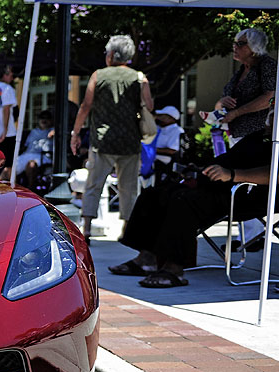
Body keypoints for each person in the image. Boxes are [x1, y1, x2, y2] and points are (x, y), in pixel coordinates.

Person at [107, 121, 274, 288]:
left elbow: (275, 174)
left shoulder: (276, 142)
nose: (270, 116)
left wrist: (232, 175)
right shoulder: (258, 136)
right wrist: (203, 169)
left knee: (183, 200)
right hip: (221, 184)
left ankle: (175, 268)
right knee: (154, 194)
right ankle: (147, 258)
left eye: (274, 112)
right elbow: (232, 159)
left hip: (248, 194)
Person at [71, 35, 153, 241]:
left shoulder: (98, 75)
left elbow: (86, 105)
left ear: (112, 54)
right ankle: (126, 229)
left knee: (93, 184)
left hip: (102, 139)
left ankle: (87, 228)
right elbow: (149, 106)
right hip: (130, 140)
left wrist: (76, 132)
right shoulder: (139, 77)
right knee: (128, 187)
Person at [205, 28, 277, 144]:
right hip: (235, 134)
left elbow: (270, 97)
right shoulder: (242, 69)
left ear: (255, 47)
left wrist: (236, 113)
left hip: (256, 135)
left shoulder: (267, 66)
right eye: (234, 43)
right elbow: (220, 104)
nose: (235, 46)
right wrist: (222, 102)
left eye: (240, 43)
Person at [16, 109, 54, 190]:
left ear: (51, 120)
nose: (44, 120)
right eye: (42, 118)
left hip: (43, 156)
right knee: (8, 170)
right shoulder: (33, 131)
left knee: (31, 165)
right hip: (27, 154)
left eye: (47, 118)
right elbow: (26, 146)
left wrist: (54, 131)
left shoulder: (53, 130)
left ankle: (30, 189)